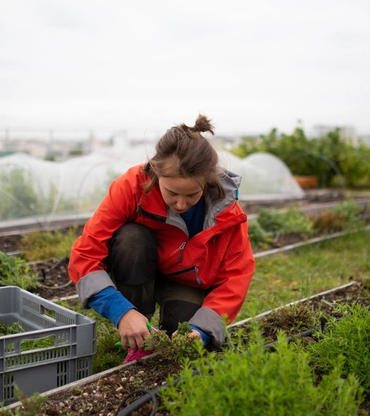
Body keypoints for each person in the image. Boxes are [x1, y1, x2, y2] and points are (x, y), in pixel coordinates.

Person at [68, 114, 255, 354]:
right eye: (172, 192)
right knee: (131, 239)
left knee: (182, 334)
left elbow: (236, 276)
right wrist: (121, 311)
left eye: (191, 195)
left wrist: (202, 330)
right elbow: (85, 255)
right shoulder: (131, 187)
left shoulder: (227, 212)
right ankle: (137, 334)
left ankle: (165, 331)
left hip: (185, 281)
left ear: (207, 183)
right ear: (156, 174)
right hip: (139, 268)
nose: (180, 204)